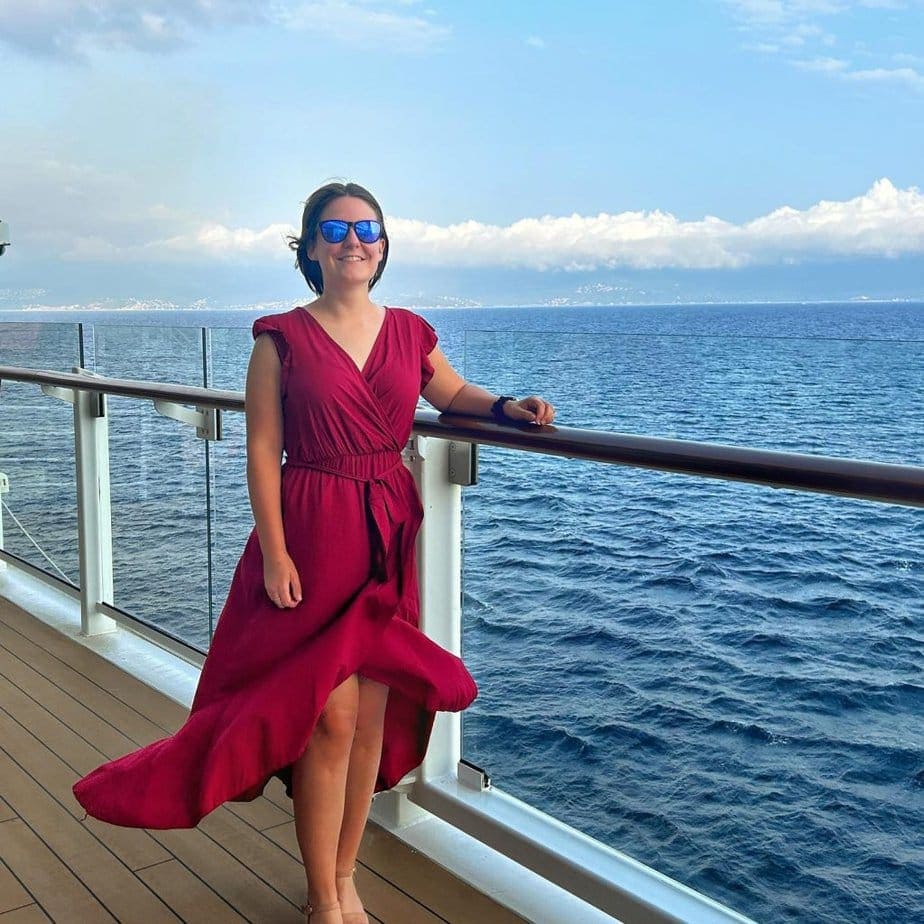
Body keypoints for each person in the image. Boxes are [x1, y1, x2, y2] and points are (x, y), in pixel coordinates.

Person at [73, 181, 556, 924]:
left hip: (385, 535)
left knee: (368, 717)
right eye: (334, 230)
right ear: (309, 248)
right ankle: (321, 895)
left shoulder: (410, 332)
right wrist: (273, 553)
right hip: (309, 533)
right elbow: (263, 452)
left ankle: (345, 873)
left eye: (367, 228)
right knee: (326, 717)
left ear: (384, 245)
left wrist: (507, 409)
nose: (353, 241)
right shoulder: (280, 340)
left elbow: (452, 395)